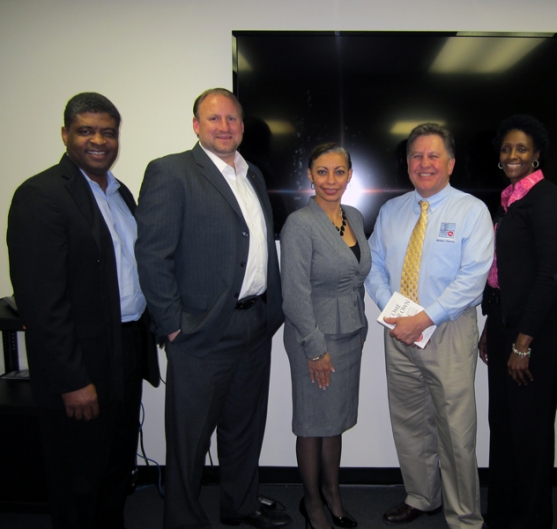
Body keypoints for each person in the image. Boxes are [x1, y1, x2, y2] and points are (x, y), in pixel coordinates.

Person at [134, 88, 290, 529]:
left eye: (232, 119)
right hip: (201, 332)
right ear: (196, 125)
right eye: (214, 119)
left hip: (254, 325)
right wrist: (173, 325)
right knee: (189, 437)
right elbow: (152, 255)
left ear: (242, 126)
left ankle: (239, 505)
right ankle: (182, 519)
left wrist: (271, 312)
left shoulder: (253, 174)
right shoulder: (171, 172)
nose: (225, 127)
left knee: (244, 430)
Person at [6, 92, 160, 529]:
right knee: (78, 477)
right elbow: (42, 303)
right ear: (65, 135)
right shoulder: (41, 196)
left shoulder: (119, 193)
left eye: (107, 132)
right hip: (82, 362)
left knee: (114, 469)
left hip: (125, 349)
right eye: (86, 130)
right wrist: (74, 381)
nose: (99, 140)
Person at [366, 123, 494, 529]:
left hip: (448, 331)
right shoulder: (391, 211)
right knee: (409, 422)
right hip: (399, 329)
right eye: (416, 157)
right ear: (407, 165)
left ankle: (464, 517)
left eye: (433, 156)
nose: (424, 164)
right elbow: (374, 268)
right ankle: (422, 496)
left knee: (455, 431)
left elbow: (473, 277)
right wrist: (397, 314)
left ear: (450, 164)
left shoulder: (471, 211)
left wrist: (422, 318)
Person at [478, 115, 557, 529]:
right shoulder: (511, 200)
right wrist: (490, 326)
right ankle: (503, 512)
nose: (512, 154)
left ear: (536, 155)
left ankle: (531, 519)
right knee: (503, 424)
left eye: (521, 148)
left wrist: (522, 343)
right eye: (506, 148)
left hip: (535, 335)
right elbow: (504, 272)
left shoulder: (547, 198)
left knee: (529, 432)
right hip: (504, 324)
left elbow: (552, 274)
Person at [281, 143, 370, 529]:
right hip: (313, 336)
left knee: (333, 421)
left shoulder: (355, 216)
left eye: (338, 172)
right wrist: (315, 349)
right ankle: (312, 501)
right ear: (310, 176)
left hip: (350, 333)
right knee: (312, 423)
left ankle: (334, 494)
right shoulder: (300, 223)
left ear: (350, 175)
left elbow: (357, 274)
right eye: (322, 171)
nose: (330, 180)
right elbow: (294, 293)